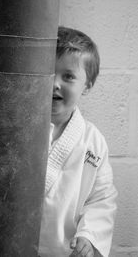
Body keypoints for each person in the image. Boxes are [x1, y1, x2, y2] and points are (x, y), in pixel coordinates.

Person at [38, 26, 117, 257]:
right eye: (48, 72)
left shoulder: (93, 141)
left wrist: (89, 236)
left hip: (63, 250)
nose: (55, 83)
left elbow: (101, 198)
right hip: (12, 244)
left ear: (88, 85)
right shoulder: (18, 130)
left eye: (68, 76)